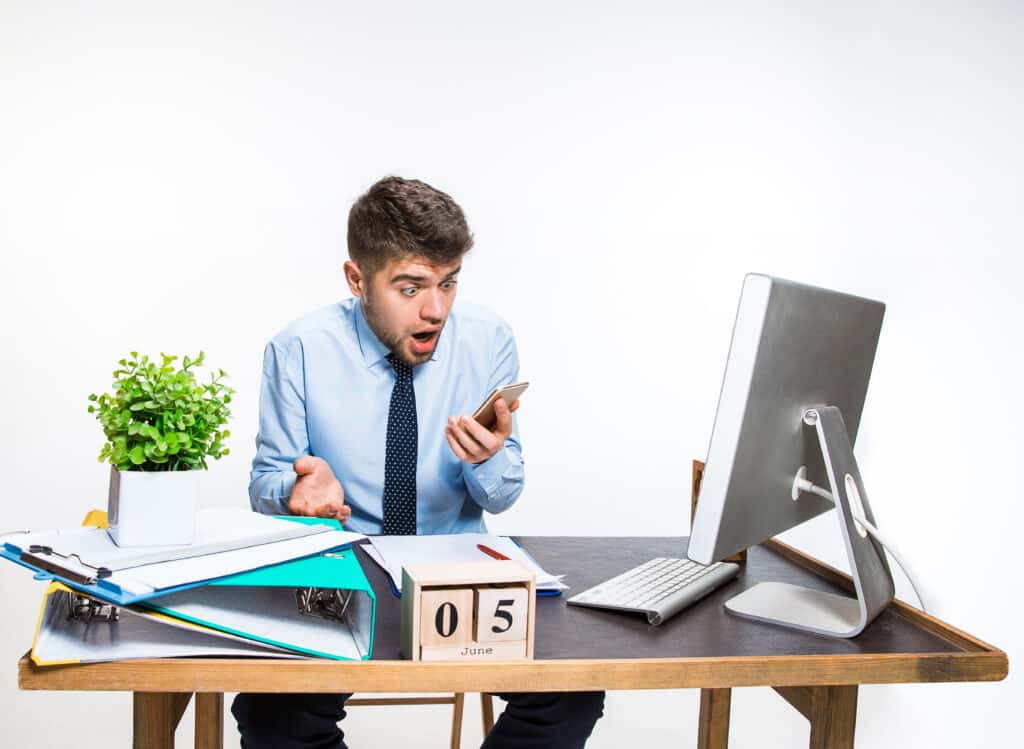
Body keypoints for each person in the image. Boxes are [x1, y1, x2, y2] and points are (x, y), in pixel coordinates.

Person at [233, 176, 604, 749]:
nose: (436, 310)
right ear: (357, 279)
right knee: (271, 712)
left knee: (573, 688)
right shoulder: (299, 348)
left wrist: (487, 461)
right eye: (410, 288)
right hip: (343, 568)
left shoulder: (487, 339)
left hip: (457, 572)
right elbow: (266, 482)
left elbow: (503, 495)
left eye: (448, 283)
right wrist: (297, 489)